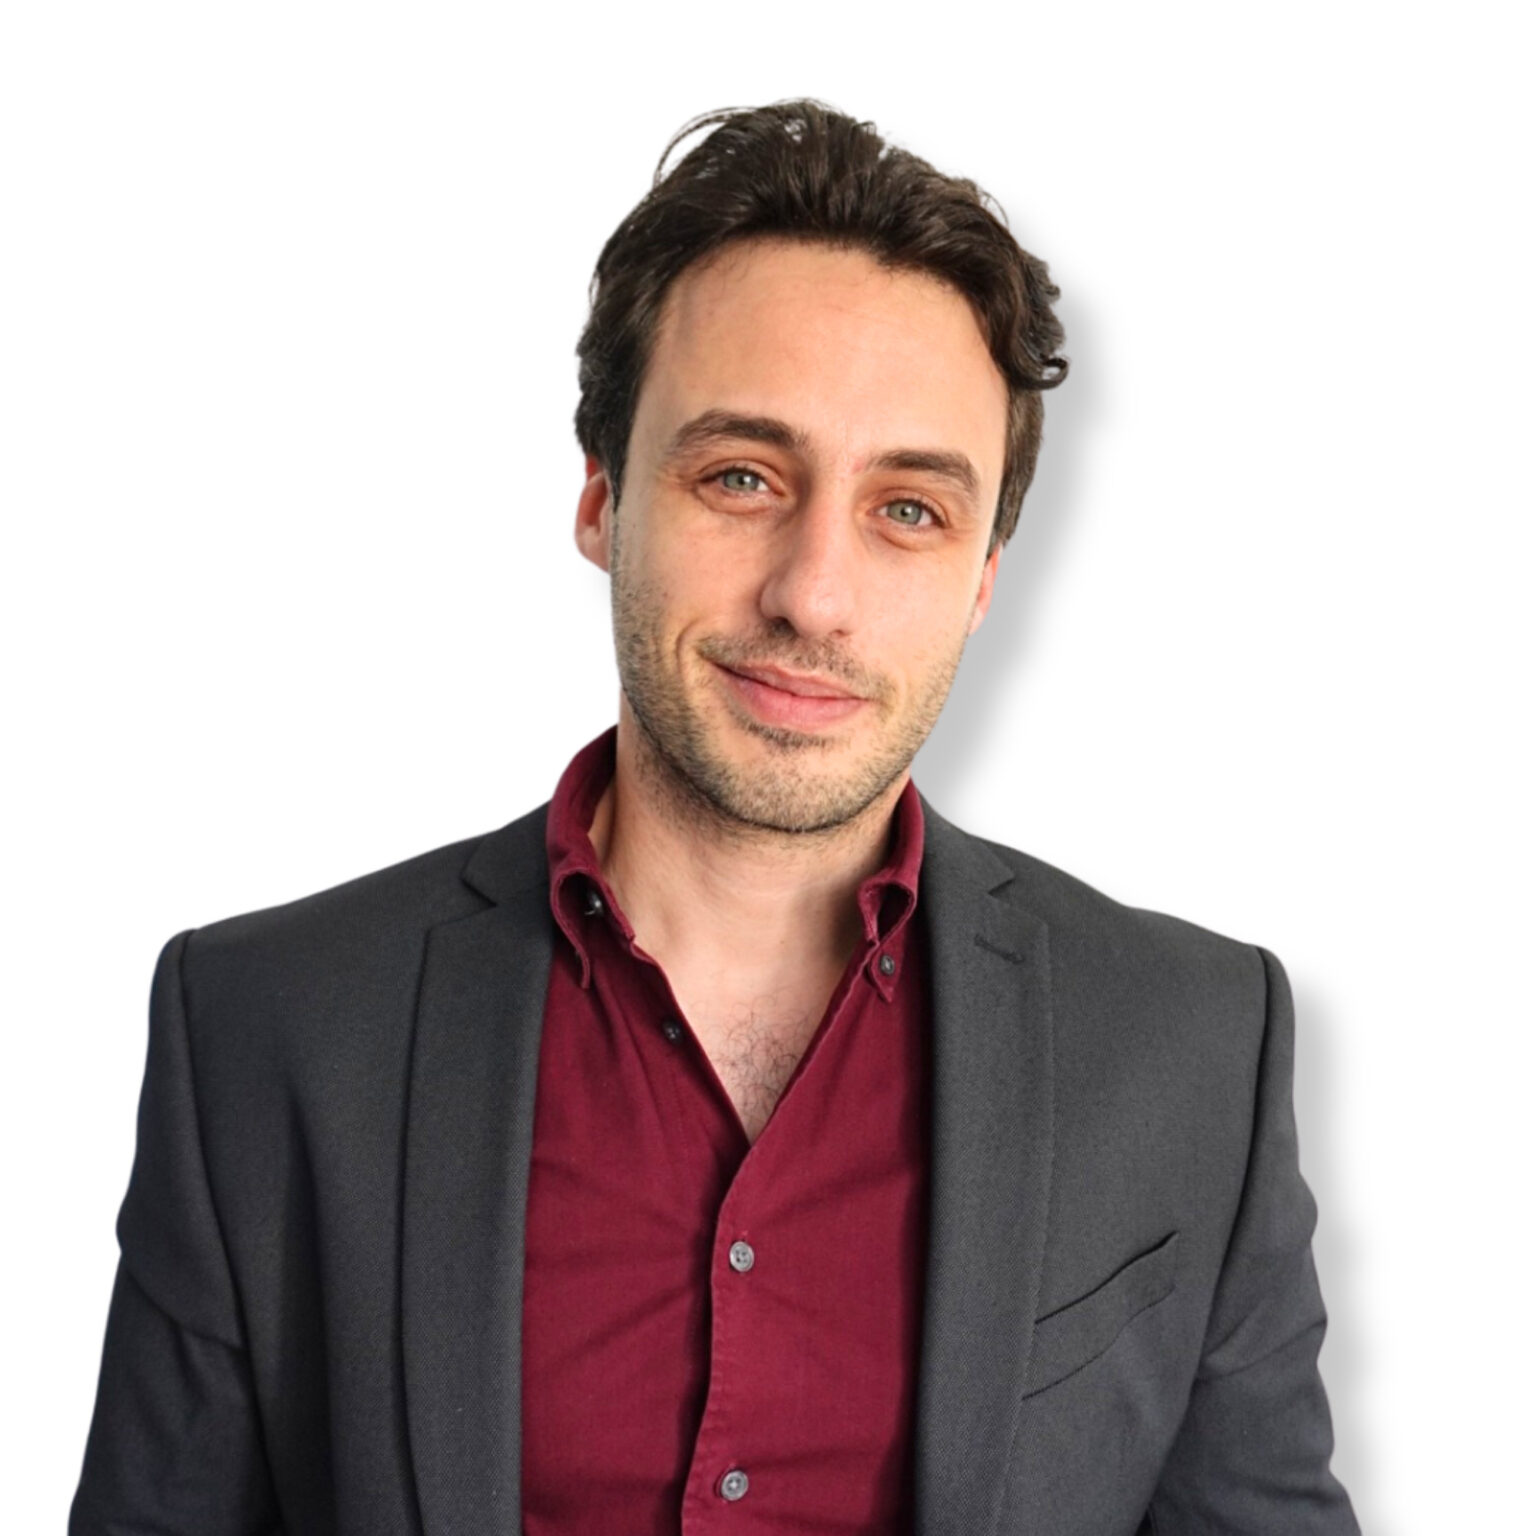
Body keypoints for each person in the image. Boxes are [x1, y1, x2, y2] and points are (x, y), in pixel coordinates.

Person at [70, 100, 1359, 1535]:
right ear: (603, 498)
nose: (813, 592)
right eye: (741, 477)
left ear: (986, 578)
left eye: (912, 510)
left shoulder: (1192, 1047)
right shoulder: (270, 1028)